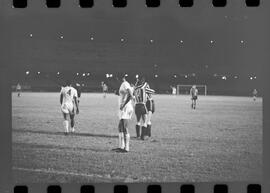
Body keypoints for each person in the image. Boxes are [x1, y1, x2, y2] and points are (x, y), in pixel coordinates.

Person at [115, 74, 134, 152]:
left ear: (122, 78)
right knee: (120, 127)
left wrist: (124, 104)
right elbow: (127, 94)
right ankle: (121, 146)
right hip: (123, 108)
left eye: (117, 78)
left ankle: (126, 148)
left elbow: (130, 94)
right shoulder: (123, 84)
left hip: (126, 108)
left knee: (125, 127)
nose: (117, 80)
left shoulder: (125, 84)